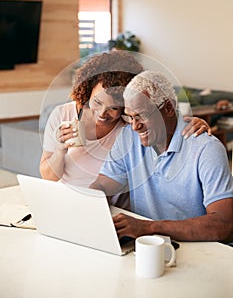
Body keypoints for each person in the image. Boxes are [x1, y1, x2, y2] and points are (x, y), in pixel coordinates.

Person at [40, 51, 210, 207]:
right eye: (97, 102)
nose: (102, 114)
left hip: (112, 209)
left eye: (113, 108)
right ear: (88, 90)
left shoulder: (130, 126)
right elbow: (48, 177)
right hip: (66, 201)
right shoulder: (62, 115)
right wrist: (60, 150)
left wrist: (192, 123)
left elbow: (163, 125)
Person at [90, 70, 233, 242]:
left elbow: (223, 224)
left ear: (168, 108)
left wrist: (149, 228)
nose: (135, 127)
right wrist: (87, 202)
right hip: (145, 246)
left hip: (194, 247)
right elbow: (103, 184)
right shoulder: (128, 138)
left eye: (141, 115)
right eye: (130, 117)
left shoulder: (206, 149)